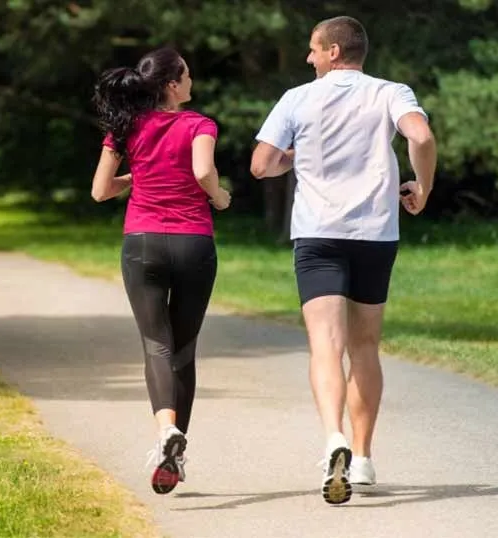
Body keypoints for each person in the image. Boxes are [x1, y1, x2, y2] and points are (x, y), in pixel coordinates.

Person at [250, 16, 437, 505]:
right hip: (375, 233)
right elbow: (420, 136)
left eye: (313, 49)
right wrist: (423, 186)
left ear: (334, 52)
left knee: (325, 346)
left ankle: (333, 437)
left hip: (318, 235)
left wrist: (295, 158)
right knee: (366, 346)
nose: (308, 58)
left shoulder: (297, 99)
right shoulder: (391, 92)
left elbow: (260, 164)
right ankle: (364, 456)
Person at [91, 47, 231, 495]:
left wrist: (138, 177)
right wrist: (220, 196)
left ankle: (166, 432)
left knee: (156, 344)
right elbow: (202, 169)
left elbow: (99, 191)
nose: (191, 80)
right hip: (193, 243)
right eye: (187, 74)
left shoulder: (125, 128)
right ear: (173, 83)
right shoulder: (199, 124)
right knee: (184, 348)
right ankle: (175, 449)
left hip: (143, 244)